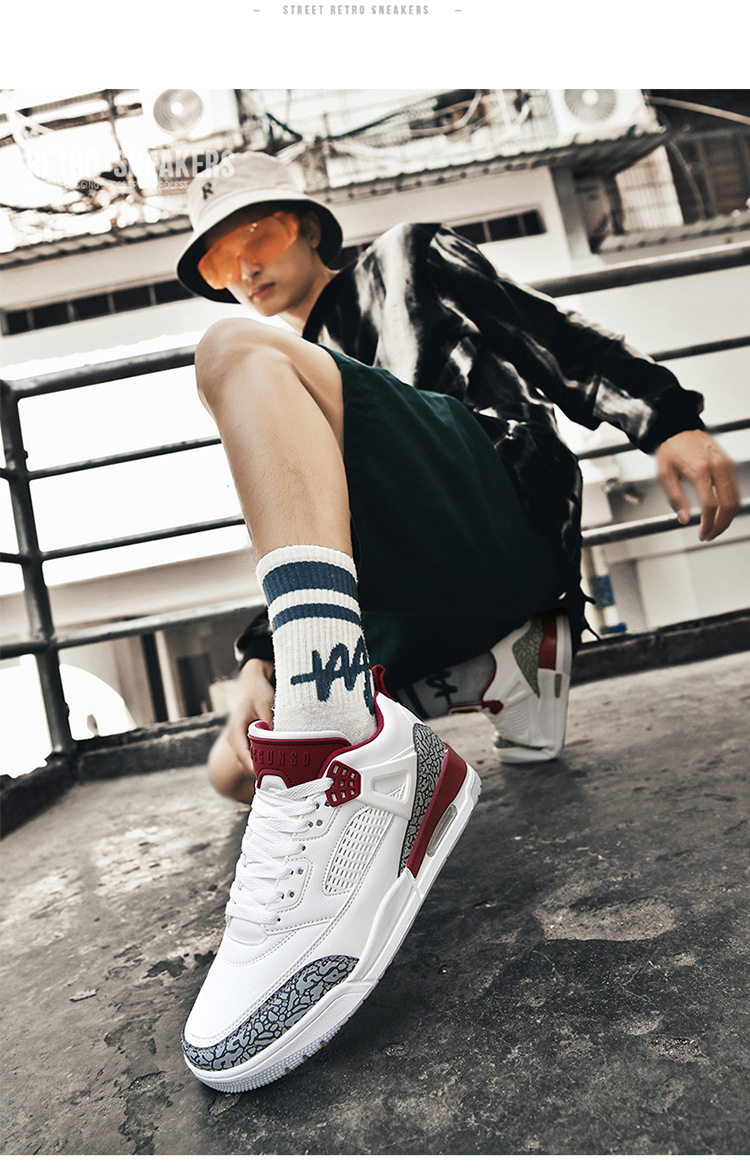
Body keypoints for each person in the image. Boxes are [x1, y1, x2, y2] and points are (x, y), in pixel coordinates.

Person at [174, 151, 738, 1092]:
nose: (244, 268)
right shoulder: (289, 374)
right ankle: (504, 666)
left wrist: (666, 418)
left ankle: (348, 734)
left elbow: (545, 334)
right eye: (219, 262)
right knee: (232, 766)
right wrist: (259, 666)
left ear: (306, 226)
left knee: (231, 351)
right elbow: (328, 537)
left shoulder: (404, 260)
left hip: (491, 507)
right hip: (422, 580)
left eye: (256, 236)